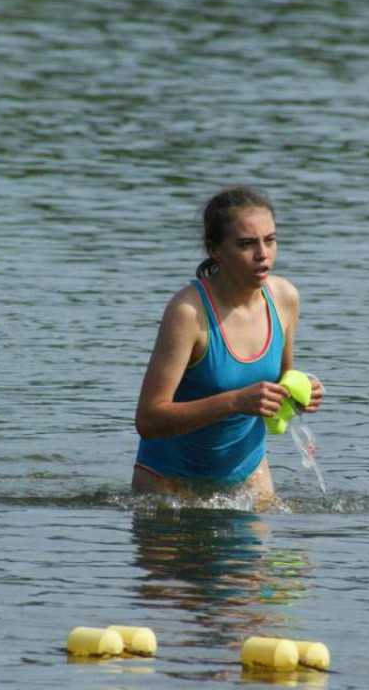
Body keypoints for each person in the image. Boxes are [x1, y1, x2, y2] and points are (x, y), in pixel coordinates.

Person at [132, 186, 323, 503]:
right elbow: (149, 421)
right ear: (215, 250)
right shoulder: (187, 313)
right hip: (170, 487)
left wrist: (300, 393)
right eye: (247, 244)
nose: (263, 254)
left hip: (250, 481)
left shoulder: (285, 299)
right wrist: (234, 401)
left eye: (270, 240)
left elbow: (280, 386)